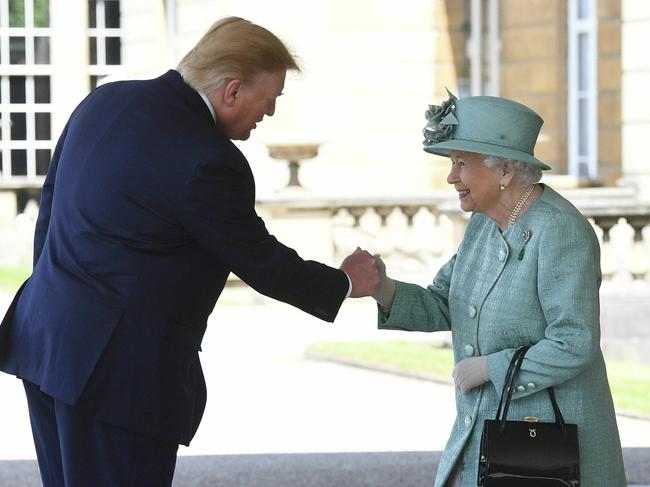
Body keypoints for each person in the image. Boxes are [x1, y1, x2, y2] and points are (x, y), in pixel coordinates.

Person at [0, 17, 380, 486]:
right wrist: (345, 282)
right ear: (233, 90)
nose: (272, 113)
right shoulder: (210, 159)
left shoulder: (104, 101)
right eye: (271, 98)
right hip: (116, 376)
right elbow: (260, 260)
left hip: (45, 342)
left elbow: (50, 211)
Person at [370, 91, 626, 486]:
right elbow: (444, 302)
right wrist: (381, 287)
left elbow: (574, 340)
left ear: (504, 170)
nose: (451, 176)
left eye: (461, 164)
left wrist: (491, 368)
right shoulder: (485, 224)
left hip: (548, 452)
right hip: (487, 440)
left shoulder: (559, 231)